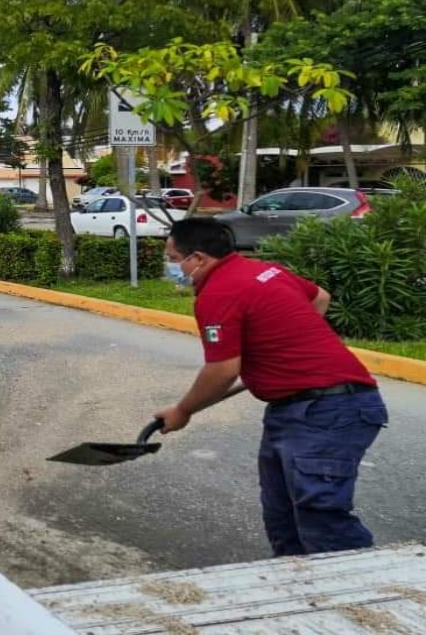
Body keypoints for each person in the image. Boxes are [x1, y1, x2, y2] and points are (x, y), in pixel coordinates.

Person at [153, 218, 387, 557]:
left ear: (199, 258)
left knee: (320, 517)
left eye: (174, 259)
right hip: (295, 409)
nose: (174, 267)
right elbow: (320, 297)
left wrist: (183, 410)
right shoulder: (263, 270)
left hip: (329, 409)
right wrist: (282, 352)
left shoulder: (218, 293)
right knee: (282, 515)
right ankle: (297, 589)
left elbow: (221, 370)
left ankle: (360, 596)